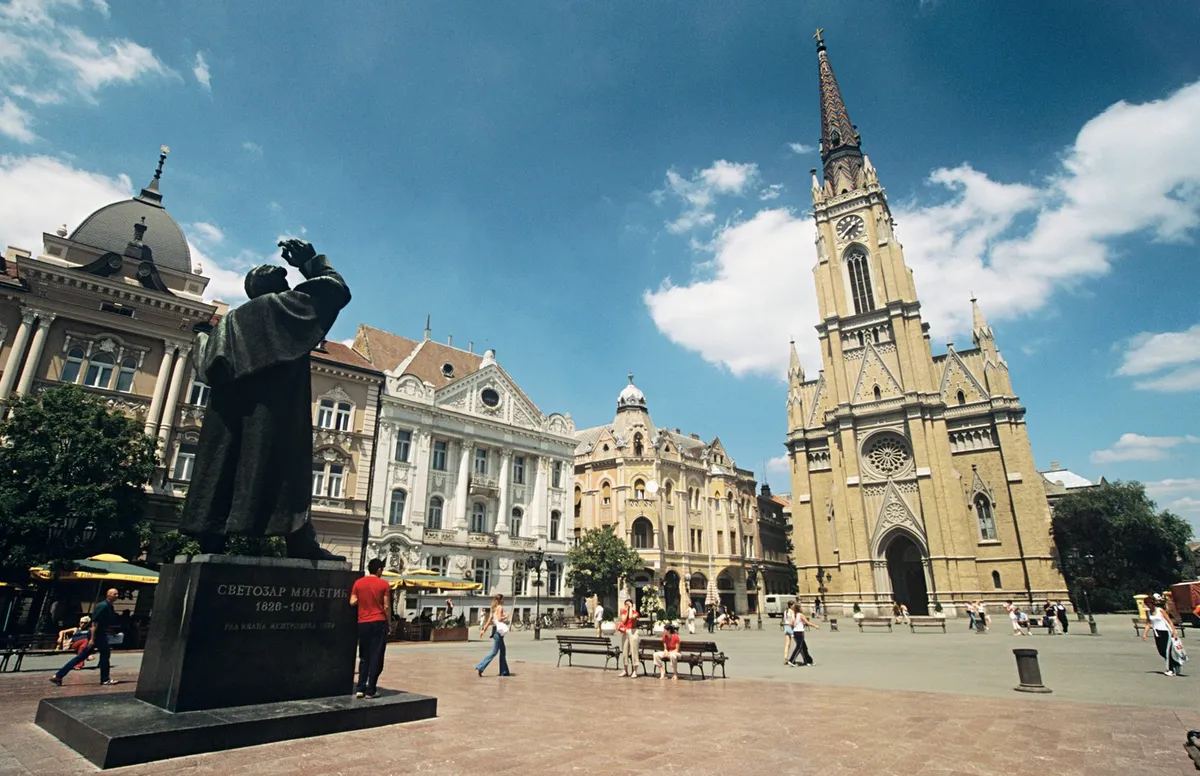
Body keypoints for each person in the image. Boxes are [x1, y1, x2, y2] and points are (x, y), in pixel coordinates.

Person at [180, 239, 352, 560]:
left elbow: (205, 362)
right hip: (275, 413)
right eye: (286, 282)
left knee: (225, 463)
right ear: (276, 288)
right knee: (287, 468)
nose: (291, 286)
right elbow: (334, 290)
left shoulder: (227, 324)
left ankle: (211, 538)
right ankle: (298, 542)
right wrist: (311, 262)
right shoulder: (280, 308)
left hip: (229, 420)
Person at [49, 589, 119, 686]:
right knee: (103, 655)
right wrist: (92, 639)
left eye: (117, 594)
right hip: (97, 634)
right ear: (108, 595)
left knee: (84, 656)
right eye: (115, 594)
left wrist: (109, 630)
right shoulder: (103, 606)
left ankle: (58, 675)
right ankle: (105, 679)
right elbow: (94, 623)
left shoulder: (109, 606)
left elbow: (103, 622)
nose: (117, 595)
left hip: (100, 633)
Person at [350, 558, 392, 699]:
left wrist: (363, 599)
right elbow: (386, 606)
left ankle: (360, 688)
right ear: (379, 569)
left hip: (363, 622)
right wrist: (389, 623)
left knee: (364, 656)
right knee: (377, 656)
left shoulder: (358, 583)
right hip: (379, 622)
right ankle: (371, 689)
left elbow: (352, 602)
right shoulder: (384, 584)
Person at [1143, 597, 1184, 676]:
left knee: (1167, 652)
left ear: (1152, 603)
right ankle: (1176, 663)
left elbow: (1169, 621)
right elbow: (1148, 623)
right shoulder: (1147, 612)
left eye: (1149, 604)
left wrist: (1174, 632)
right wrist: (1145, 634)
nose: (1148, 606)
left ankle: (1170, 670)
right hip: (1157, 633)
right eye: (1146, 605)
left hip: (1166, 632)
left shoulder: (1160, 610)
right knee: (1161, 652)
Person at [476, 593, 511, 677]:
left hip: (495, 630)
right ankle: (481, 666)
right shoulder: (500, 607)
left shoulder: (493, 608)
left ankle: (504, 671)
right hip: (498, 631)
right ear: (501, 600)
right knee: (494, 652)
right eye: (503, 599)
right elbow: (499, 619)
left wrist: (483, 630)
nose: (504, 600)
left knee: (503, 650)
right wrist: (506, 616)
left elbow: (489, 620)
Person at [617, 598, 640, 678]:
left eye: (629, 604)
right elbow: (623, 621)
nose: (627, 605)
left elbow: (631, 617)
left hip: (633, 632)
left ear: (632, 605)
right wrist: (626, 610)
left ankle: (635, 671)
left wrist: (630, 609)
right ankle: (625, 670)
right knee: (624, 651)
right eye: (626, 604)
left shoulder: (635, 613)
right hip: (625, 631)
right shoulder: (624, 612)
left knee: (634, 651)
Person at [782, 600, 795, 665]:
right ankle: (795, 657)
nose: (794, 606)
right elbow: (792, 620)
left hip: (786, 627)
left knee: (787, 644)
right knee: (798, 643)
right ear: (791, 605)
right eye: (793, 605)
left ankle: (785, 657)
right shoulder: (792, 612)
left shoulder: (785, 611)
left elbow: (784, 619)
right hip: (790, 627)